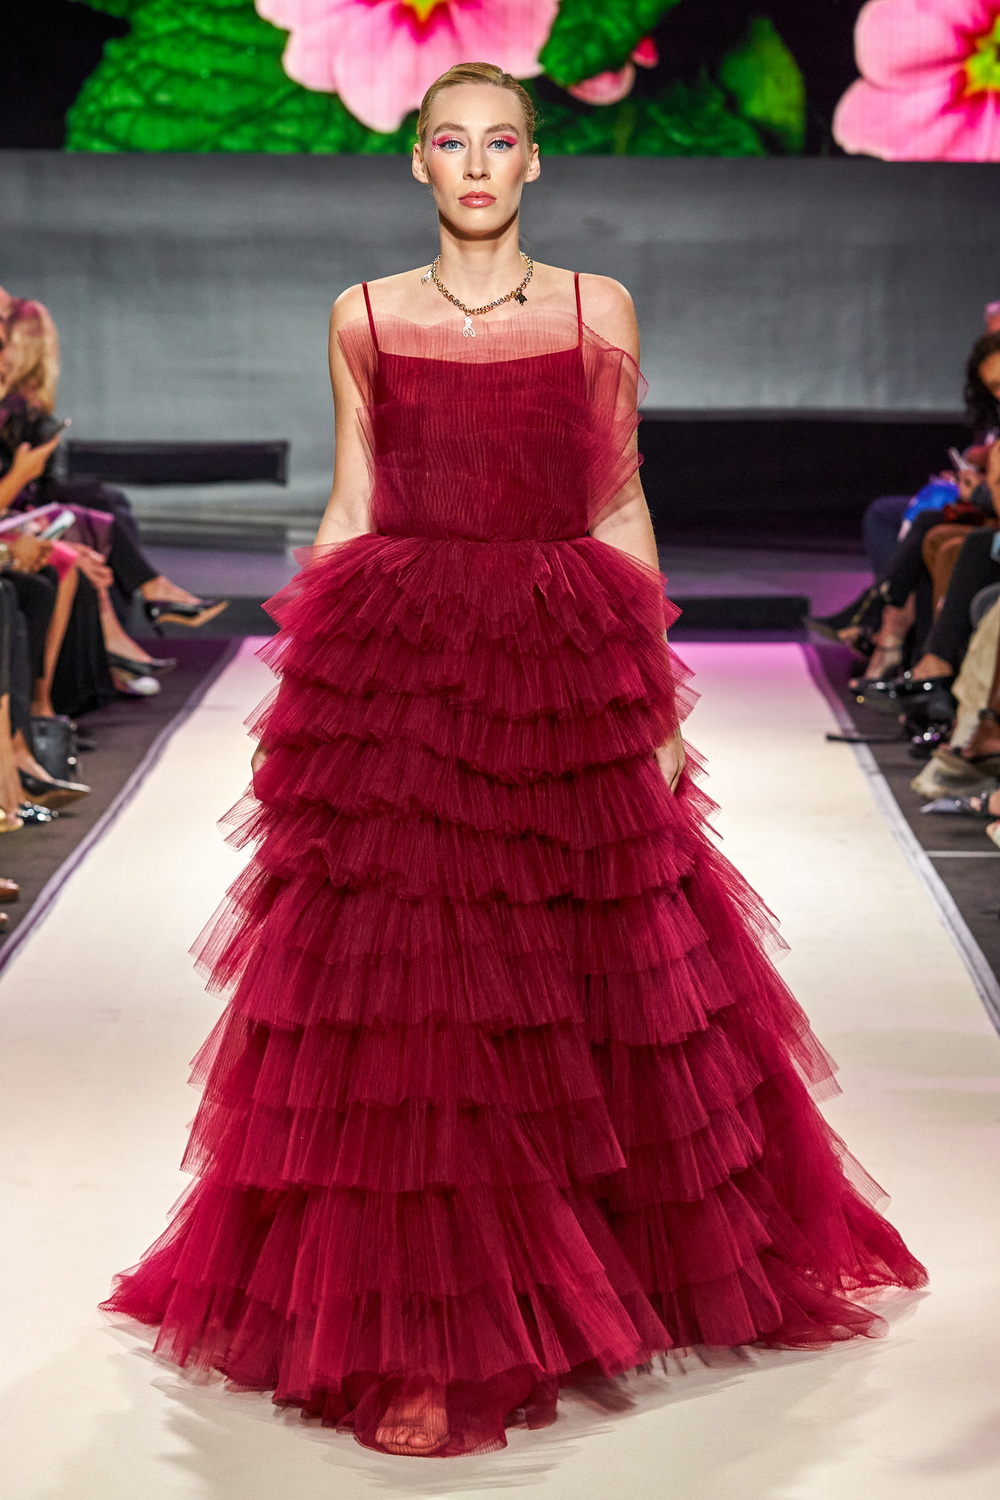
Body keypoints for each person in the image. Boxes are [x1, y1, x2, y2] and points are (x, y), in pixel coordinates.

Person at [103, 63, 926, 1459]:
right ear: (417, 162)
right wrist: (305, 686)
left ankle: (595, 1276)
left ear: (535, 161)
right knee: (420, 998)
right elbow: (356, 500)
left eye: (500, 141)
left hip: (557, 663)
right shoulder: (364, 314)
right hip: (408, 664)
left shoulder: (596, 308)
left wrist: (655, 694)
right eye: (451, 141)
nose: (477, 163)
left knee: (579, 969)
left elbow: (617, 495)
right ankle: (431, 1337)